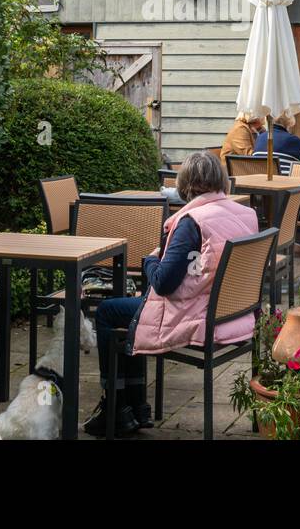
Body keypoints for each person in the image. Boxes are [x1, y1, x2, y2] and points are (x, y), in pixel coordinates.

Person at [85, 151, 259, 437]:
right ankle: (135, 407)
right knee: (136, 311)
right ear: (220, 180)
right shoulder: (245, 214)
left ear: (185, 185)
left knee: (108, 312)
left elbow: (164, 284)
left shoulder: (191, 222)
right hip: (234, 313)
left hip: (197, 317)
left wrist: (150, 260)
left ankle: (117, 408)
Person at [252, 111, 300, 175]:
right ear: (289, 122)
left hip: (261, 188)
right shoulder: (291, 140)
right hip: (285, 188)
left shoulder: (260, 138)